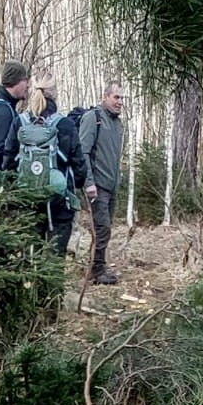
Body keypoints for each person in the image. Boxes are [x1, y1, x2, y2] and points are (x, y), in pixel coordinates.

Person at [19, 75, 89, 257]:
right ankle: (50, 286)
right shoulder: (65, 125)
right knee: (54, 258)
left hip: (27, 201)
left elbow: (8, 160)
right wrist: (79, 184)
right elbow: (78, 162)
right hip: (59, 202)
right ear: (55, 95)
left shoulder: (20, 122)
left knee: (29, 256)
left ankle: (29, 285)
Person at [77, 81, 126, 285]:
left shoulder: (117, 123)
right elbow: (83, 152)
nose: (120, 102)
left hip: (111, 184)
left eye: (122, 98)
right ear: (105, 97)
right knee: (102, 227)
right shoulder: (93, 118)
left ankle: (95, 266)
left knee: (105, 228)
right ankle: (97, 270)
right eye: (116, 97)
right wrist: (89, 183)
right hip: (97, 185)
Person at [0, 60, 31, 174]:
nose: (27, 85)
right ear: (14, 81)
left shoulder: (4, 107)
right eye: (25, 80)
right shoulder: (2, 112)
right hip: (1, 182)